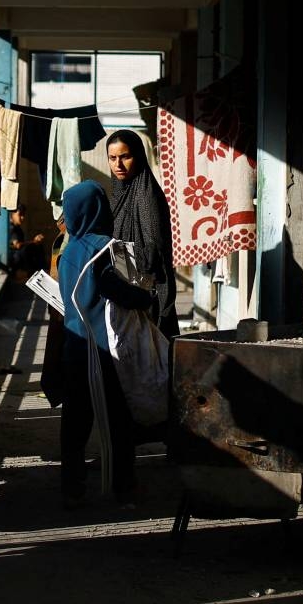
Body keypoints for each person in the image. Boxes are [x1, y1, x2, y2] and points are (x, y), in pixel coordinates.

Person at [57, 180, 154, 508]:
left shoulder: (67, 251)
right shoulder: (105, 249)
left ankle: (71, 487)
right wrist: (147, 297)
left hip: (75, 348)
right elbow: (120, 291)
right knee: (117, 420)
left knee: (75, 421)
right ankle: (123, 488)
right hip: (104, 352)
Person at [105, 129, 179, 338]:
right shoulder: (121, 192)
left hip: (146, 294)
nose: (118, 165)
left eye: (125, 157)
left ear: (137, 156)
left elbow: (152, 252)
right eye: (112, 158)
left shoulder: (146, 195)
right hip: (128, 288)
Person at [7, 204, 46, 280]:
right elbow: (17, 245)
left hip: (18, 257)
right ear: (13, 214)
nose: (22, 217)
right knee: (27, 249)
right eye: (20, 215)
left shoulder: (18, 228)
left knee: (36, 246)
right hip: (13, 259)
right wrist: (34, 241)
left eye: (23, 215)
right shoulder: (11, 228)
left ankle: (39, 271)